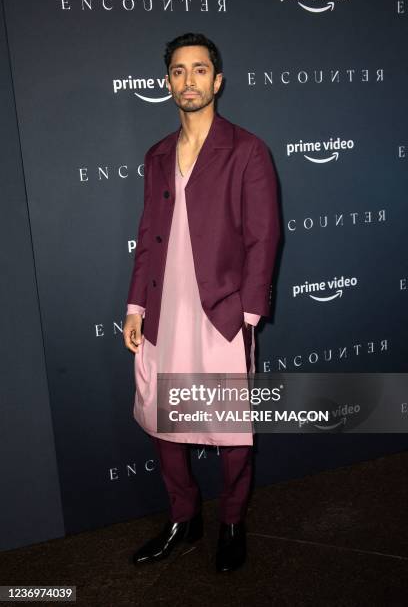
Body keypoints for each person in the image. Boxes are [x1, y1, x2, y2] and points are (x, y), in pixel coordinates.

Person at [123, 32, 280, 572]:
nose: (187, 80)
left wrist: (249, 312)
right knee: (165, 420)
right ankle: (183, 521)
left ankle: (233, 520)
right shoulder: (157, 155)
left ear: (217, 80)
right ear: (168, 82)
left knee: (232, 426)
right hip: (166, 308)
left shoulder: (247, 150)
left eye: (198, 70)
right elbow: (148, 235)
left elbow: (265, 236)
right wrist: (135, 308)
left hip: (222, 310)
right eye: (177, 71)